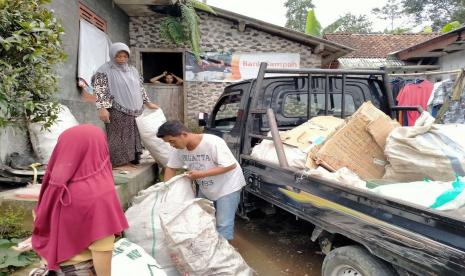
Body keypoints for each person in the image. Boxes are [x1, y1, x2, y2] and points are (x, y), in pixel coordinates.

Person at [30, 124, 128, 275]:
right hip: (78, 270)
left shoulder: (53, 185)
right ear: (100, 148)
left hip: (49, 267)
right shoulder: (99, 193)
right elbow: (102, 248)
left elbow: (41, 222)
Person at [157, 120, 246, 241]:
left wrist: (200, 174)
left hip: (228, 186)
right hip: (206, 186)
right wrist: (166, 188)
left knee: (223, 222)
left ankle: (224, 253)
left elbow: (230, 165)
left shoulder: (212, 142)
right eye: (168, 143)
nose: (171, 145)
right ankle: (209, 245)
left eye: (172, 141)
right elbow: (171, 168)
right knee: (203, 217)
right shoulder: (178, 148)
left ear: (184, 134)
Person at [92, 42, 159, 167]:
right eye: (118, 56)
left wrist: (148, 103)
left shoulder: (132, 70)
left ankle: (133, 159)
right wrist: (102, 108)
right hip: (116, 108)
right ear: (112, 55)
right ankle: (119, 162)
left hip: (136, 108)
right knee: (119, 135)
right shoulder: (104, 70)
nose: (122, 59)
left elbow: (140, 88)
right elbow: (100, 90)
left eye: (124, 56)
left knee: (135, 134)